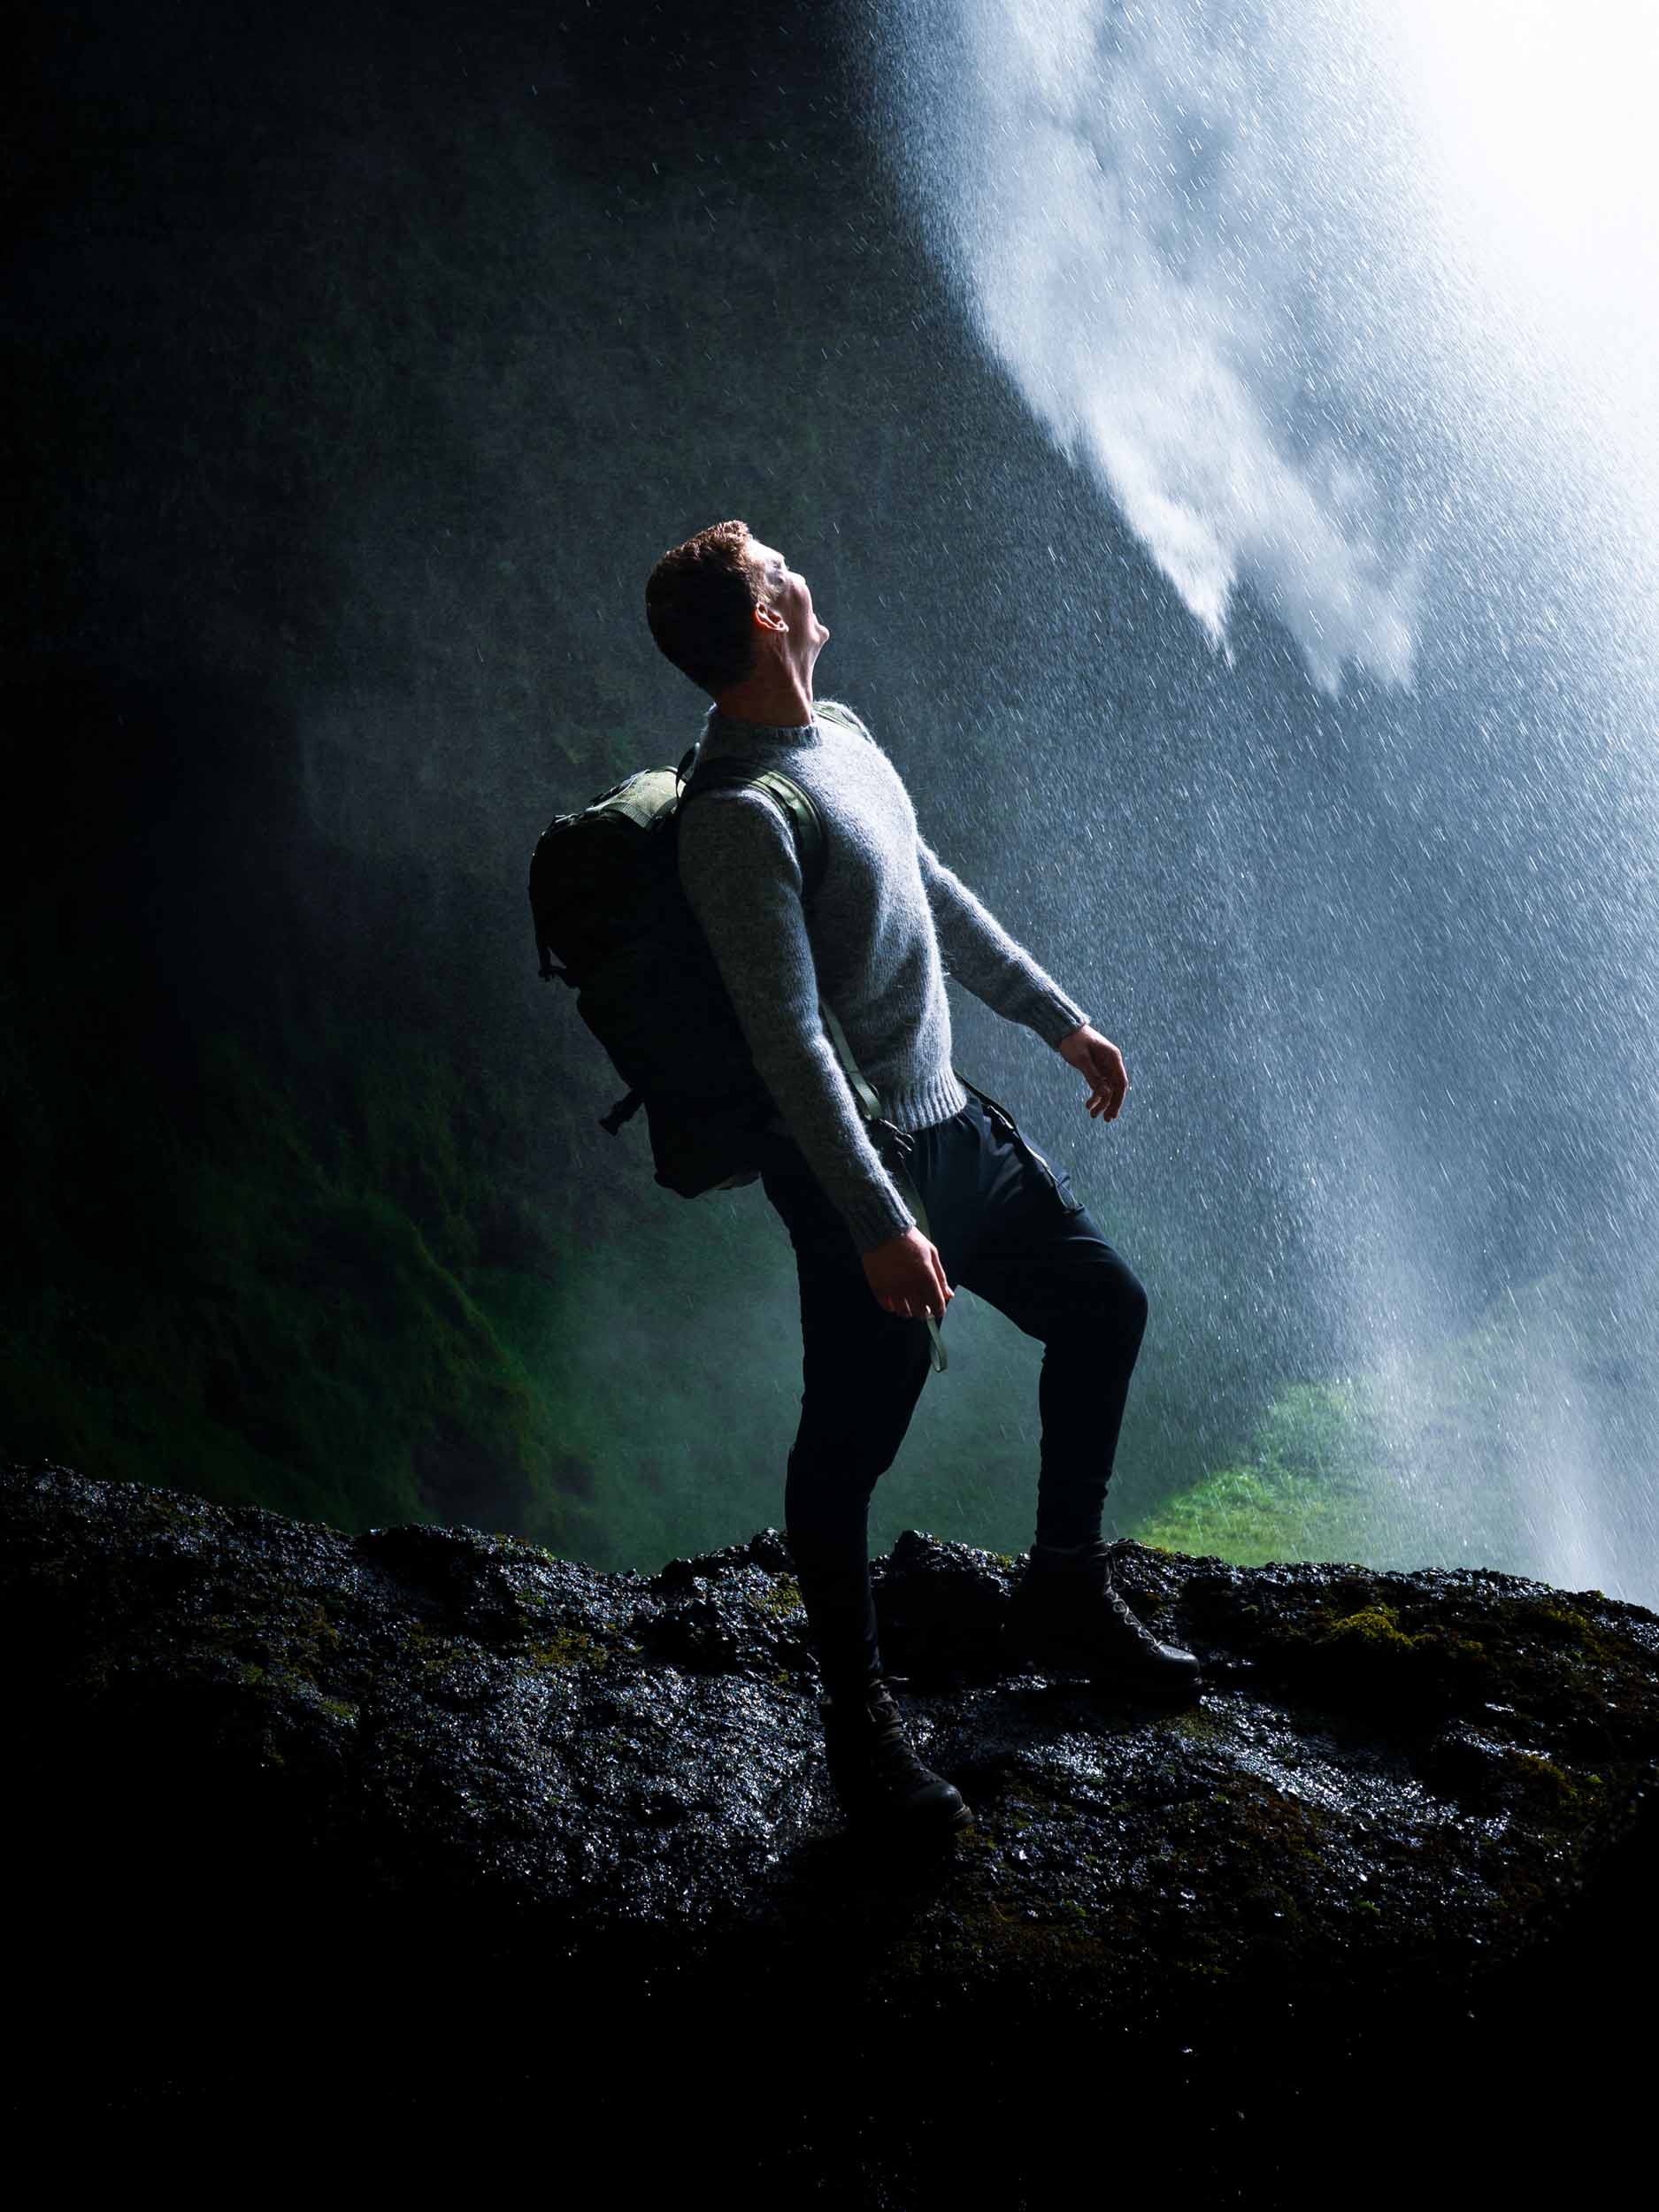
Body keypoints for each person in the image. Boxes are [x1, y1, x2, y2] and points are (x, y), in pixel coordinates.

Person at [646, 518, 1200, 1843]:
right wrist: (883, 1224)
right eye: (784, 568)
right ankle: (857, 1725)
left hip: (956, 1127)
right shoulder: (735, 819)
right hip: (869, 1178)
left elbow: (931, 890)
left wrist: (1058, 1020)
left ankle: (1063, 1580)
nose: (804, 573)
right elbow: (788, 1047)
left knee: (1104, 1307)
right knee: (849, 1446)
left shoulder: (839, 734)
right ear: (767, 618)